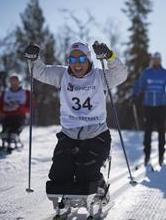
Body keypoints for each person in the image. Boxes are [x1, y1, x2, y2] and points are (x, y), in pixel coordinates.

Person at [24, 40, 127, 198]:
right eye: (72, 60)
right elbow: (39, 72)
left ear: (88, 59)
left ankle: (100, 185)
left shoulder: (99, 77)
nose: (77, 64)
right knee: (58, 175)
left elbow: (121, 74)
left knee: (85, 173)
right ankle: (70, 195)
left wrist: (109, 56)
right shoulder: (62, 75)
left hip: (97, 135)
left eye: (81, 59)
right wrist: (32, 59)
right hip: (69, 135)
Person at [133, 52, 166, 167]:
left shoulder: (165, 74)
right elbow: (139, 85)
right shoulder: (146, 73)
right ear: (152, 60)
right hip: (148, 106)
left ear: (160, 60)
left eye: (158, 59)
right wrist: (134, 96)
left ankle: (161, 155)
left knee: (161, 131)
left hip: (161, 106)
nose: (156, 61)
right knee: (148, 131)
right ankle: (147, 155)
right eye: (154, 59)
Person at [0, 74, 30, 148]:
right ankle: (5, 140)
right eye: (12, 82)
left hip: (20, 117)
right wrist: (3, 110)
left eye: (15, 82)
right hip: (8, 117)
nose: (14, 84)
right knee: (5, 128)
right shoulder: (5, 93)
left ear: (19, 82)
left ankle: (14, 136)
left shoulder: (26, 93)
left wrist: (19, 107)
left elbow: (30, 107)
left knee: (15, 127)